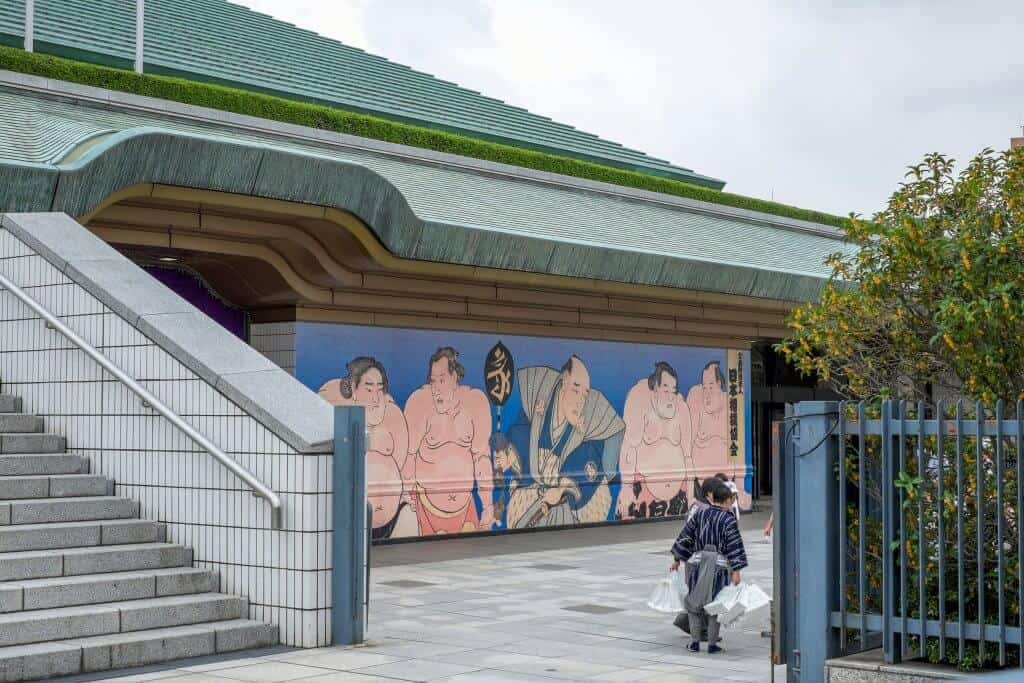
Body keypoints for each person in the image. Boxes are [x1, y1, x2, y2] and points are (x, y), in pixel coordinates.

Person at [503, 356, 625, 529]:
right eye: (576, 389)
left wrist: (561, 490)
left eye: (585, 394)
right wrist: (512, 455)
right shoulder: (537, 401)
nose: (580, 401)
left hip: (571, 496)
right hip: (535, 487)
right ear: (562, 382)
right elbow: (519, 433)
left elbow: (591, 459)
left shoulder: (591, 420)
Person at [318, 357, 417, 540]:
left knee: (410, 520)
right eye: (369, 389)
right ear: (354, 389)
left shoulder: (393, 416)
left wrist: (403, 493)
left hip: (394, 514)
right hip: (351, 514)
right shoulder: (340, 419)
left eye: (380, 389)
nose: (376, 398)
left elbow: (400, 467)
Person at [405, 347, 495, 534]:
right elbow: (408, 456)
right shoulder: (419, 403)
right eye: (433, 381)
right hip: (425, 507)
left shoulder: (475, 403)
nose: (436, 388)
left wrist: (487, 506)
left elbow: (482, 458)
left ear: (455, 378)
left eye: (442, 380)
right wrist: (407, 497)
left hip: (465, 508)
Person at [670, 479, 748, 654]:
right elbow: (734, 546)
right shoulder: (728, 519)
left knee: (693, 604)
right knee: (715, 604)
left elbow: (686, 536)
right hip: (719, 568)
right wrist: (736, 570)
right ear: (726, 500)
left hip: (697, 565)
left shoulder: (701, 514)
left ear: (713, 498)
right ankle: (712, 644)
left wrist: (677, 559)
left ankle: (694, 643)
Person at [616, 362, 693, 520]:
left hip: (678, 496)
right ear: (655, 388)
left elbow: (688, 457)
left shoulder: (682, 408)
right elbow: (629, 446)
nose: (670, 396)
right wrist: (627, 487)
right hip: (643, 494)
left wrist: (691, 496)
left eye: (673, 391)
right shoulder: (639, 399)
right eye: (666, 390)